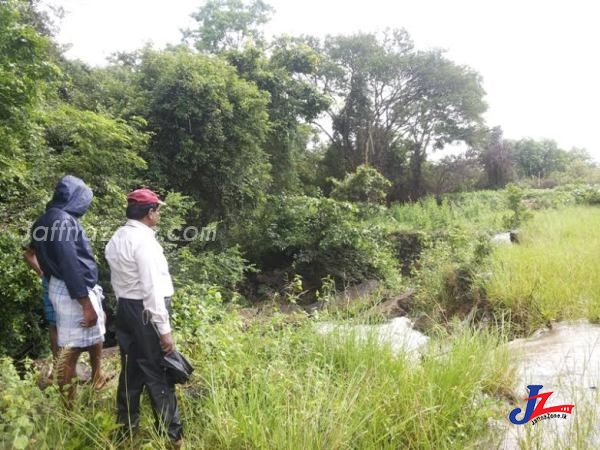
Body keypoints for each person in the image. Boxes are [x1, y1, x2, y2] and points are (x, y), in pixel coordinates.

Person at [105, 188, 183, 447]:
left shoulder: (117, 237)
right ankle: (171, 436)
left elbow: (118, 280)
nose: (158, 214)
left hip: (126, 309)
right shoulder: (144, 243)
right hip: (146, 312)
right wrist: (164, 330)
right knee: (159, 369)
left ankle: (125, 427)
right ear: (150, 213)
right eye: (157, 210)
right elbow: (151, 290)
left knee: (132, 369)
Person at [29, 175, 108, 403]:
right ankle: (68, 410)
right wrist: (85, 304)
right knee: (70, 352)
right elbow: (69, 263)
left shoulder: (43, 220)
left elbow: (35, 251)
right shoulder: (63, 221)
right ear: (75, 198)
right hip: (73, 290)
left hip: (62, 286)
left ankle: (92, 381)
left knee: (82, 341)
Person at [23, 246, 58, 384]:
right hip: (59, 280)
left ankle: (57, 370)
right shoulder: (54, 230)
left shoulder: (42, 231)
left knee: (55, 325)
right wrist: (41, 272)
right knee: (56, 325)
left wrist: (41, 272)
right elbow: (28, 254)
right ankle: (57, 370)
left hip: (52, 279)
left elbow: (28, 254)